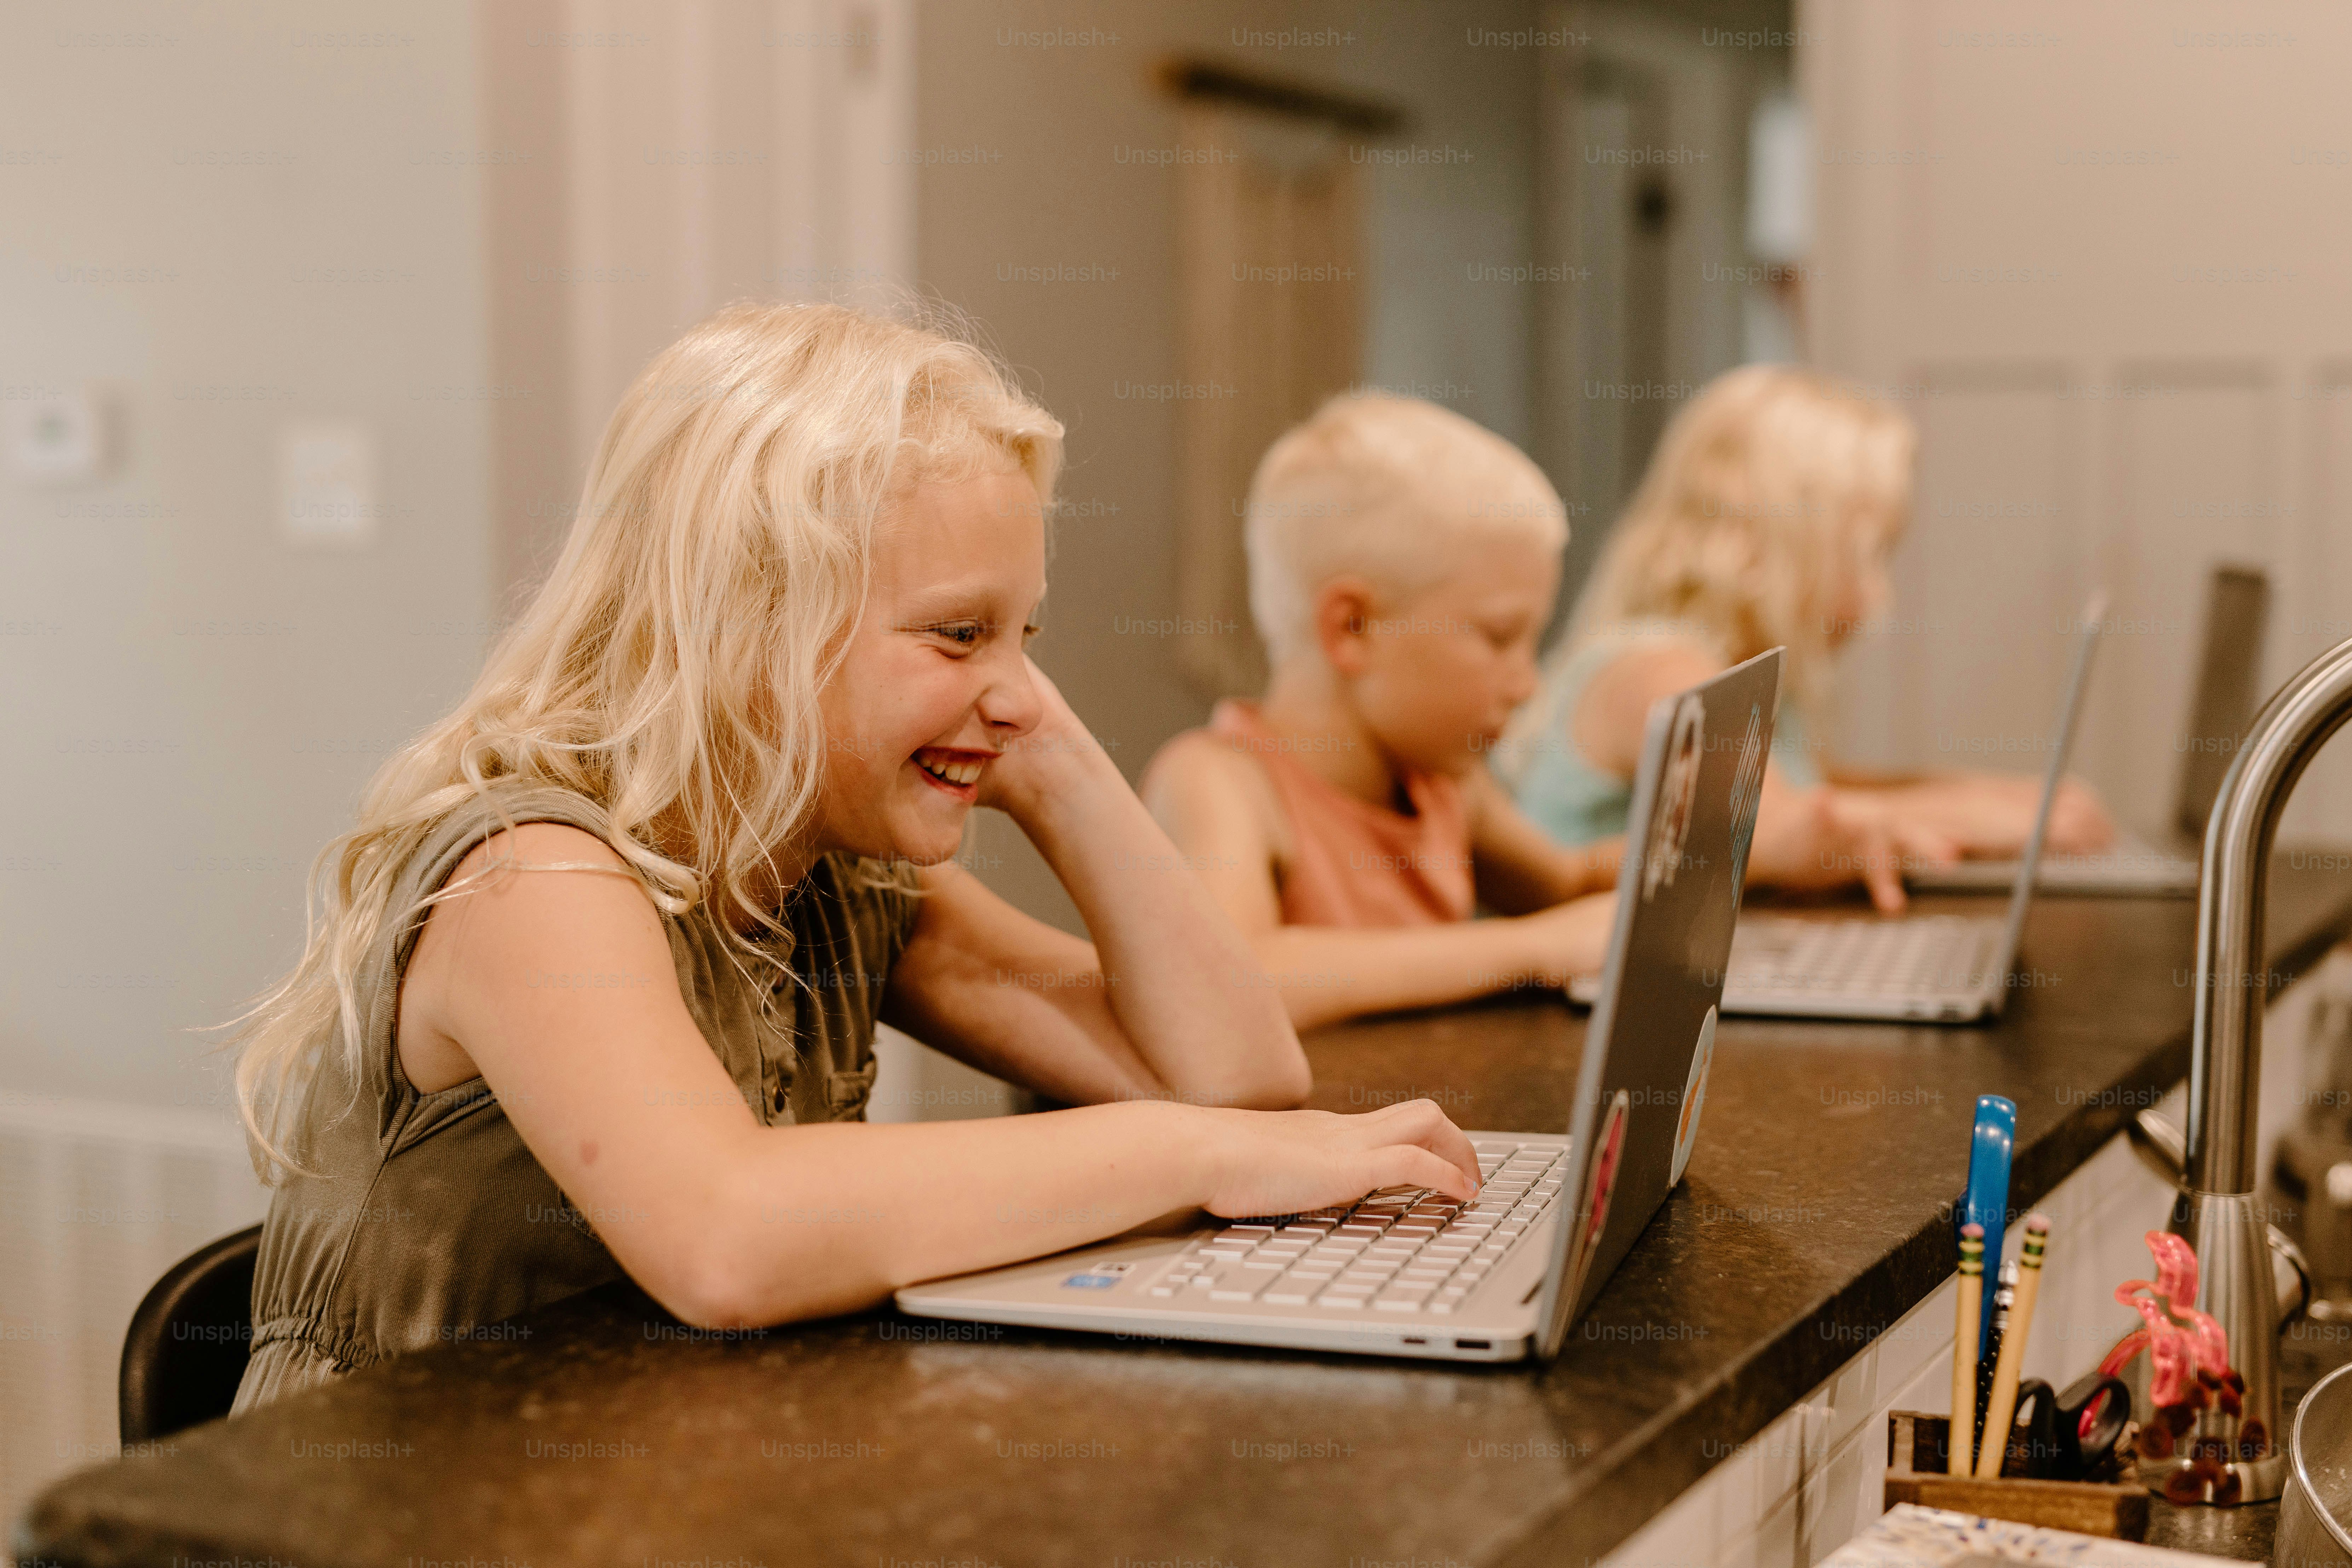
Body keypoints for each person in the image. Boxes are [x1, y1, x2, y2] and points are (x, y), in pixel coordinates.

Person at [222, 304, 1483, 1413]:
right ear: (749, 628)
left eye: (1027, 637)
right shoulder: (535, 879)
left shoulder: (842, 882)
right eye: (959, 633)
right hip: (387, 1505)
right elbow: (727, 1237)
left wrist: (1054, 762)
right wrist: (1199, 1158)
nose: (1017, 692)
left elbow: (1237, 1080)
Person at [1144, 394, 1886, 1032]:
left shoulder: (1443, 784)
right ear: (1353, 627)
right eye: (1499, 638)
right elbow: (1236, 983)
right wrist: (1532, 948)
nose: (1527, 685)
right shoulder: (1217, 782)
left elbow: (1566, 880)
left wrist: (1749, 853)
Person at [1499, 364, 2113, 892]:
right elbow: (1780, 827)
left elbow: (1811, 782)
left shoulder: (1739, 666)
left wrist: (1982, 791)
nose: (1878, 597)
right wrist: (1992, 818)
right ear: (1784, 548)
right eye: (1872, 556)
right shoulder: (1662, 670)